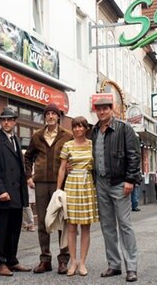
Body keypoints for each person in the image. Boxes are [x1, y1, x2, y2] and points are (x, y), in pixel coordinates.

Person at [91, 97, 141, 283]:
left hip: (120, 182)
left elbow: (134, 155)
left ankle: (131, 267)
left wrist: (130, 179)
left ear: (111, 110)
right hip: (101, 183)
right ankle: (114, 265)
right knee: (107, 226)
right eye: (99, 109)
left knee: (125, 224)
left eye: (105, 109)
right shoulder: (94, 130)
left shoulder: (123, 128)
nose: (102, 112)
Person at [24, 103, 73, 274]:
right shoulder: (37, 135)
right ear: (45, 117)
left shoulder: (67, 135)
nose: (51, 116)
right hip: (41, 183)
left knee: (62, 221)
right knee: (44, 222)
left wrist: (71, 169)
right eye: (48, 114)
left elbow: (73, 156)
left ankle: (63, 260)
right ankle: (45, 260)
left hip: (62, 183)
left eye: (54, 113)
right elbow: (28, 156)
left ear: (59, 117)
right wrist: (29, 176)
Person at [0, 107, 32, 276]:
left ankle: (12, 261)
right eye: (3, 120)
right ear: (0, 122)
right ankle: (1, 263)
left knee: (14, 229)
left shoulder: (16, 140)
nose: (6, 122)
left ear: (14, 122)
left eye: (9, 119)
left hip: (17, 193)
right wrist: (1, 190)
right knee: (2, 230)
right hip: (5, 194)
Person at [56, 116, 98, 277]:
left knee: (86, 226)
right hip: (71, 185)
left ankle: (82, 262)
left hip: (87, 184)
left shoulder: (92, 145)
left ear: (86, 128)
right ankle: (73, 260)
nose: (78, 129)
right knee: (71, 226)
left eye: (81, 126)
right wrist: (58, 191)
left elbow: (98, 165)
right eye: (75, 126)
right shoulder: (67, 145)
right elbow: (61, 169)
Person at [22, 150, 36, 232]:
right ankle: (25, 224)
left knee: (28, 206)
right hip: (22, 187)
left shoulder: (32, 165)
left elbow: (33, 175)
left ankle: (31, 224)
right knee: (23, 207)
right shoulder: (20, 165)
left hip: (29, 187)